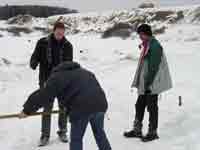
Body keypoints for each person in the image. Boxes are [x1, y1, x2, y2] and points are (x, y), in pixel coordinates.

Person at [19, 62, 112, 150]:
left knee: (76, 139)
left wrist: (27, 110)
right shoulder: (86, 72)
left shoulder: (58, 76)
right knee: (100, 134)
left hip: (81, 108)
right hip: (100, 105)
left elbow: (43, 95)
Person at [124, 24, 172, 142]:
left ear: (146, 34)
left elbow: (153, 67)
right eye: (139, 34)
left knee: (152, 106)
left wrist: (148, 84)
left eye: (141, 34)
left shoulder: (155, 46)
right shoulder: (147, 45)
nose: (140, 36)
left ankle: (152, 132)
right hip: (145, 82)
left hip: (152, 83)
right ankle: (137, 130)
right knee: (139, 105)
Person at [30, 21, 73, 146]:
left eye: (62, 33)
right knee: (47, 108)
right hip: (46, 81)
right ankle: (45, 135)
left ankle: (62, 131)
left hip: (62, 82)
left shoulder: (68, 46)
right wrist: (33, 62)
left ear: (64, 32)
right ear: (53, 31)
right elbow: (35, 56)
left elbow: (69, 65)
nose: (59, 35)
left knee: (63, 108)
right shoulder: (42, 43)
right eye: (57, 32)